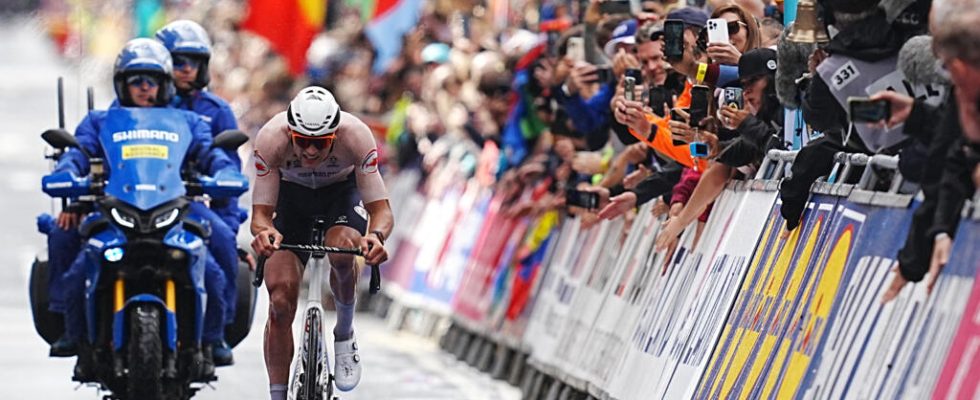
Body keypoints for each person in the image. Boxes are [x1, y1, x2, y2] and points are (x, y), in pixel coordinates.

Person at [54, 38, 238, 380]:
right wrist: (66, 172)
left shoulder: (190, 121)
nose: (143, 87)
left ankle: (210, 343)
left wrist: (224, 172)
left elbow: (212, 155)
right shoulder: (100, 121)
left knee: (211, 271)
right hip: (114, 212)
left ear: (163, 84)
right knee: (78, 274)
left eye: (150, 80)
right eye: (135, 80)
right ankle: (82, 345)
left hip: (177, 210)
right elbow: (77, 154)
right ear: (121, 84)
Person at [250, 86, 393, 397]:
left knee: (343, 252)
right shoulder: (271, 138)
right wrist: (264, 232)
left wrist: (376, 237)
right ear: (290, 133)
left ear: (336, 135)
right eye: (302, 142)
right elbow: (261, 215)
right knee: (279, 304)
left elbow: (380, 210)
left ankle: (344, 331)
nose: (311, 152)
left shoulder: (356, 135)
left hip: (339, 195)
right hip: (290, 200)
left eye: (320, 143)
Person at [155, 19, 244, 365]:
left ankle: (216, 333)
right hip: (134, 203)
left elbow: (228, 169)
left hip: (187, 206)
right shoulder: (140, 100)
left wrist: (228, 219)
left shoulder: (216, 112)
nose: (186, 69)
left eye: (193, 61)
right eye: (178, 61)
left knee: (221, 240)